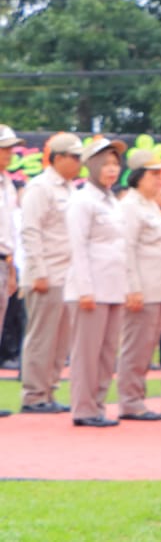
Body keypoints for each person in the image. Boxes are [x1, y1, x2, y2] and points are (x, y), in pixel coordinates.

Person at [65, 138, 129, 427]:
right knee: (86, 354)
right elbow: (77, 247)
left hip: (114, 287)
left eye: (115, 164)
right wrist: (85, 289)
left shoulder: (112, 200)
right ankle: (83, 408)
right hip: (90, 289)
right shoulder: (82, 200)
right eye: (106, 164)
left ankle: (98, 405)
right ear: (91, 166)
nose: (112, 170)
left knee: (105, 354)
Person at [19, 133, 85, 414]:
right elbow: (30, 230)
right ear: (58, 158)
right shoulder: (41, 187)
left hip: (67, 274)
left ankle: (49, 390)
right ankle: (34, 394)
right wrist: (38, 271)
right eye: (75, 157)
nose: (79, 162)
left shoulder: (71, 189)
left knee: (60, 340)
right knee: (42, 337)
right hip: (47, 272)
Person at [118, 148, 161, 421]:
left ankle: (137, 398)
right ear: (138, 176)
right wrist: (132, 287)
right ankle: (130, 401)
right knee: (136, 346)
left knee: (147, 346)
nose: (160, 180)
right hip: (144, 288)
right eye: (154, 175)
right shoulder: (130, 206)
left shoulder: (151, 204)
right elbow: (126, 248)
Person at [0, 124, 20, 401]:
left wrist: (13, 270)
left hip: (4, 261)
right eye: (4, 147)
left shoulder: (8, 184)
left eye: (10, 148)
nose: (9, 153)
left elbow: (10, 232)